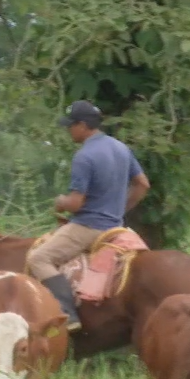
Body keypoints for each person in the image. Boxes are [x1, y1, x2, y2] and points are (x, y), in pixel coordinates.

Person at [28, 100, 151, 332]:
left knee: (38, 258)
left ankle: (67, 312)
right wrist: (119, 210)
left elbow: (76, 204)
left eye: (71, 125)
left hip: (88, 227)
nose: (68, 130)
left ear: (83, 126)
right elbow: (142, 184)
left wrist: (61, 202)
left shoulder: (84, 156)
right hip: (115, 227)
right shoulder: (121, 148)